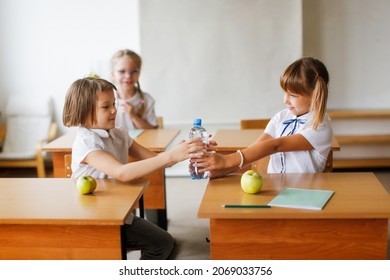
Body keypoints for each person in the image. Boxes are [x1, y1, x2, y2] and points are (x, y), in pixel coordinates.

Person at [62, 77, 204, 259]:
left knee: (165, 242)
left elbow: (154, 160)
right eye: (106, 107)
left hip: (118, 210)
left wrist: (183, 152)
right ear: (82, 112)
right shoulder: (86, 142)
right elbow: (122, 173)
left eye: (114, 103)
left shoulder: (118, 133)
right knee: (162, 244)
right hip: (96, 219)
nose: (114, 110)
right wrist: (171, 156)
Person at [193, 57, 333, 177]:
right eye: (285, 93)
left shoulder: (320, 126)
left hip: (305, 191)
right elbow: (254, 150)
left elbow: (275, 146)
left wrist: (226, 160)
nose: (285, 100)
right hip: (275, 188)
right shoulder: (281, 117)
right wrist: (223, 170)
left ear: (315, 96)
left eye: (293, 95)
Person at [111, 49, 158, 129]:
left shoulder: (146, 100)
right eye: (122, 71)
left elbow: (153, 130)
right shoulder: (106, 100)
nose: (128, 76)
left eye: (133, 71)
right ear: (113, 74)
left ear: (139, 73)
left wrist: (133, 116)